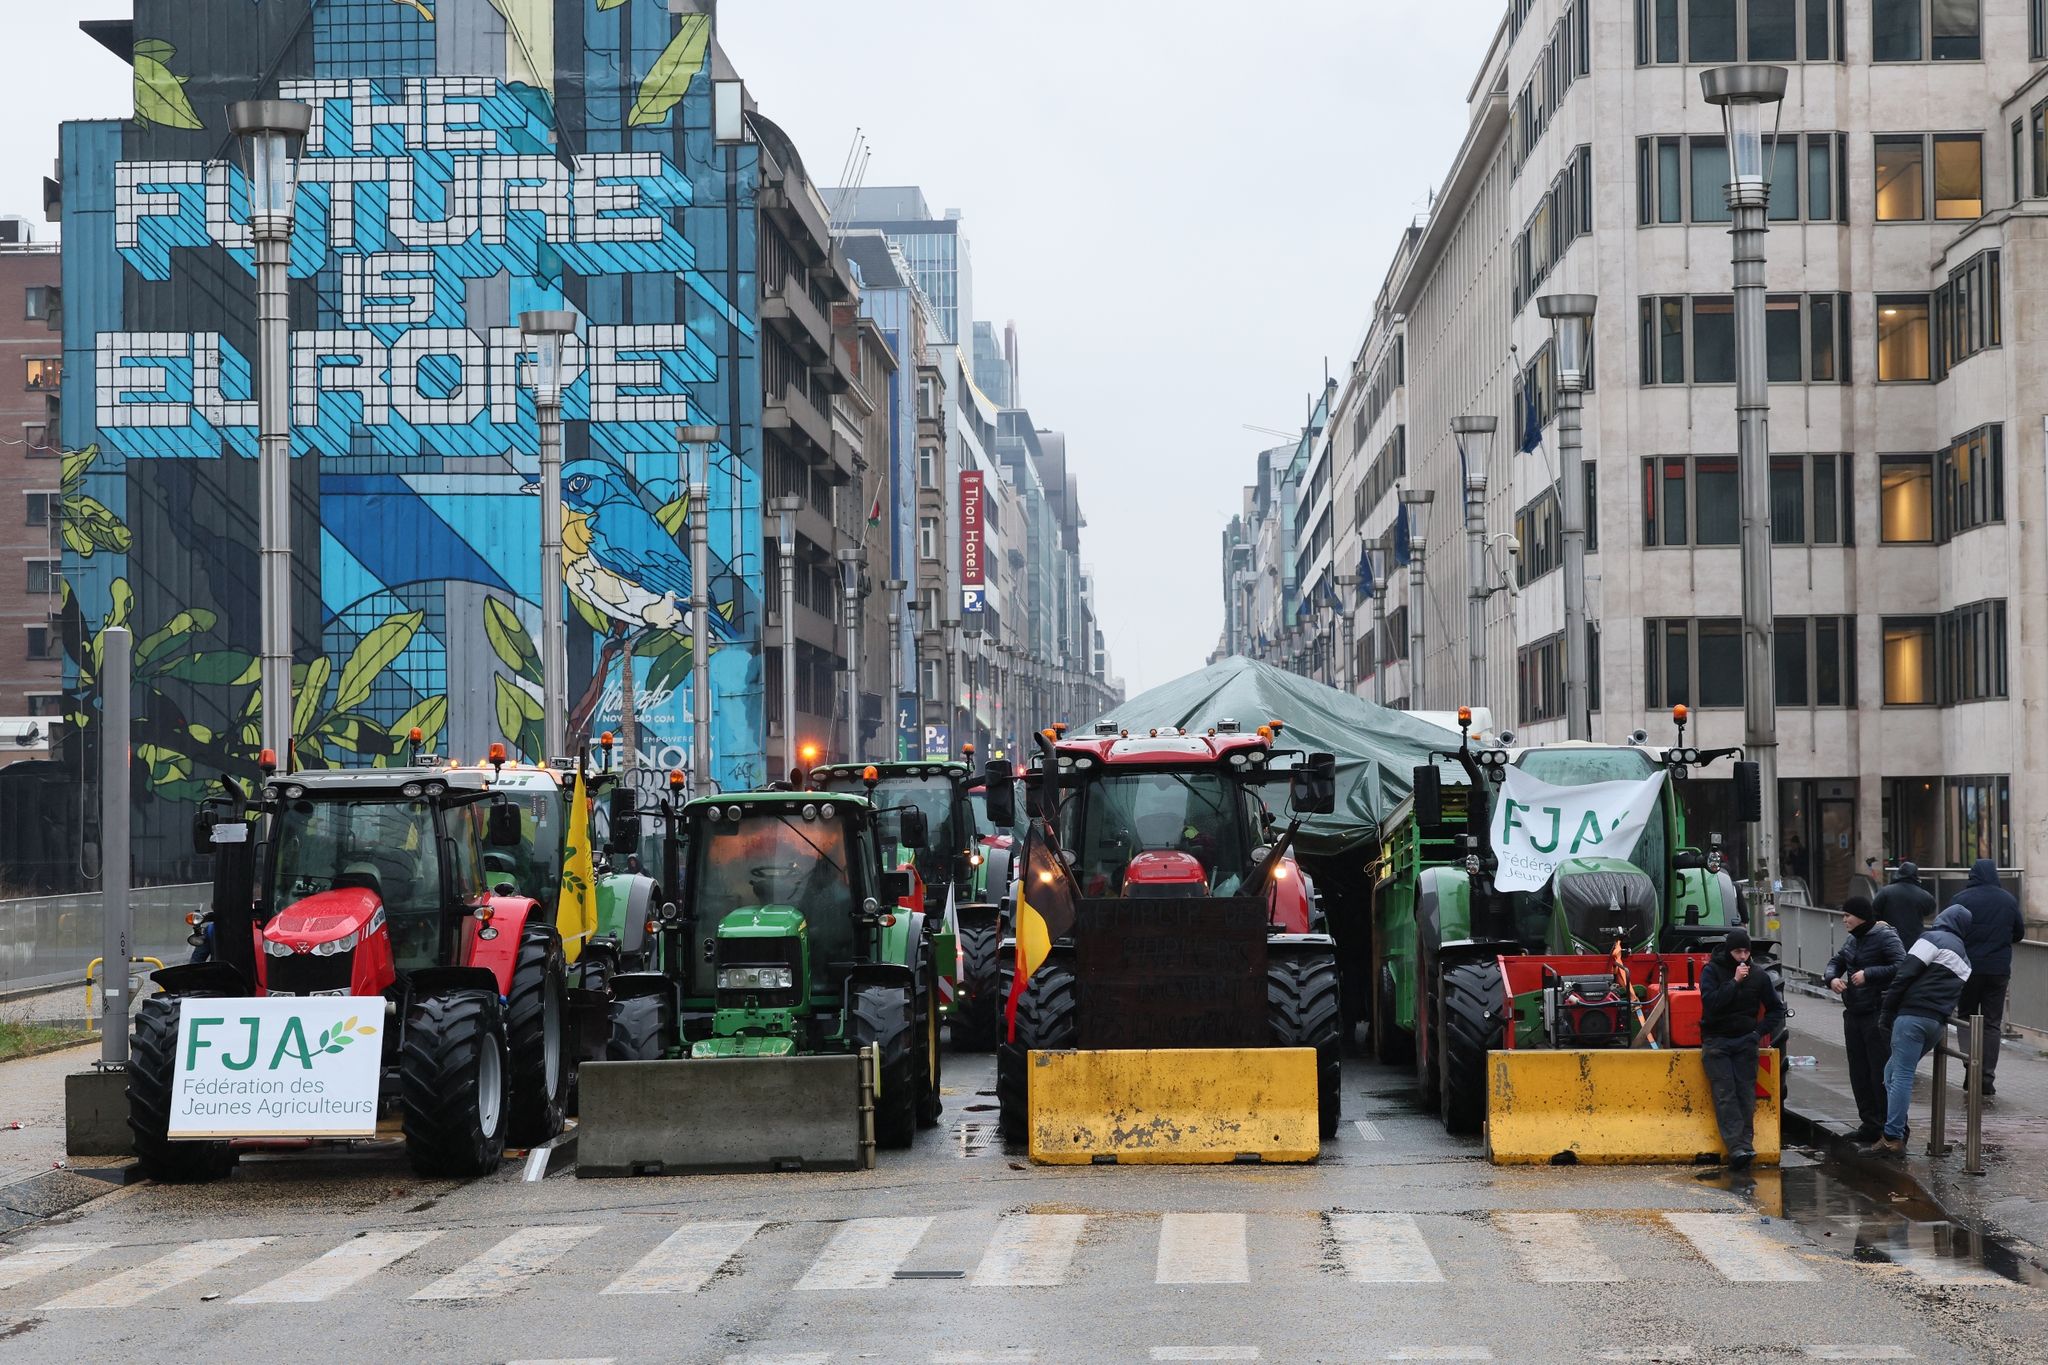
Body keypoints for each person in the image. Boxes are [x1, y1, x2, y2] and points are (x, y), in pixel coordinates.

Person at [1862, 904, 1973, 1158]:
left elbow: (1904, 973)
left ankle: (1892, 1138)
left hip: (1912, 1017)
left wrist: (1887, 1010)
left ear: (1944, 918)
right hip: (1936, 1024)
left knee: (1900, 1075)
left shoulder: (1932, 939)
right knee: (1891, 1072)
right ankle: (1895, 1129)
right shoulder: (1966, 958)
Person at [1697, 927, 1788, 1170]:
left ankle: (1745, 1145)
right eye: (1738, 951)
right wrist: (1735, 982)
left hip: (1745, 1041)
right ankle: (1736, 1147)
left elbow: (1776, 1009)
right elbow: (1711, 1004)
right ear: (1730, 951)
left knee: (1746, 1094)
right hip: (1717, 1041)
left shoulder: (1758, 975)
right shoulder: (1712, 971)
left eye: (1746, 951)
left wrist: (1757, 1033)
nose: (1743, 957)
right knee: (1725, 1093)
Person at [1823, 896, 1905, 1141]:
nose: (1844, 920)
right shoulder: (1853, 939)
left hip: (1877, 1013)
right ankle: (1869, 1124)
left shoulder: (1885, 936)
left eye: (1848, 915)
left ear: (1861, 916)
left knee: (1879, 1072)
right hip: (1855, 1012)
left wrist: (1868, 974)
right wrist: (1832, 978)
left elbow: (1901, 965)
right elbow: (1836, 961)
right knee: (1858, 1072)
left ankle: (1886, 1128)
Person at [1951, 858, 2023, 1097]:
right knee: (1992, 1023)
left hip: (1967, 969)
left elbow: (1950, 930)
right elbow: (2019, 932)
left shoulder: (1961, 900)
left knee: (1965, 1017)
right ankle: (1986, 1077)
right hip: (1998, 970)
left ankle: (1970, 1068)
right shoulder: (2008, 900)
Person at [1872, 860, 1935, 951]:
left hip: (1887, 938)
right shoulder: (1923, 895)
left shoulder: (1885, 892)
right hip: (1913, 941)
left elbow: (1874, 911)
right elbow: (1929, 909)